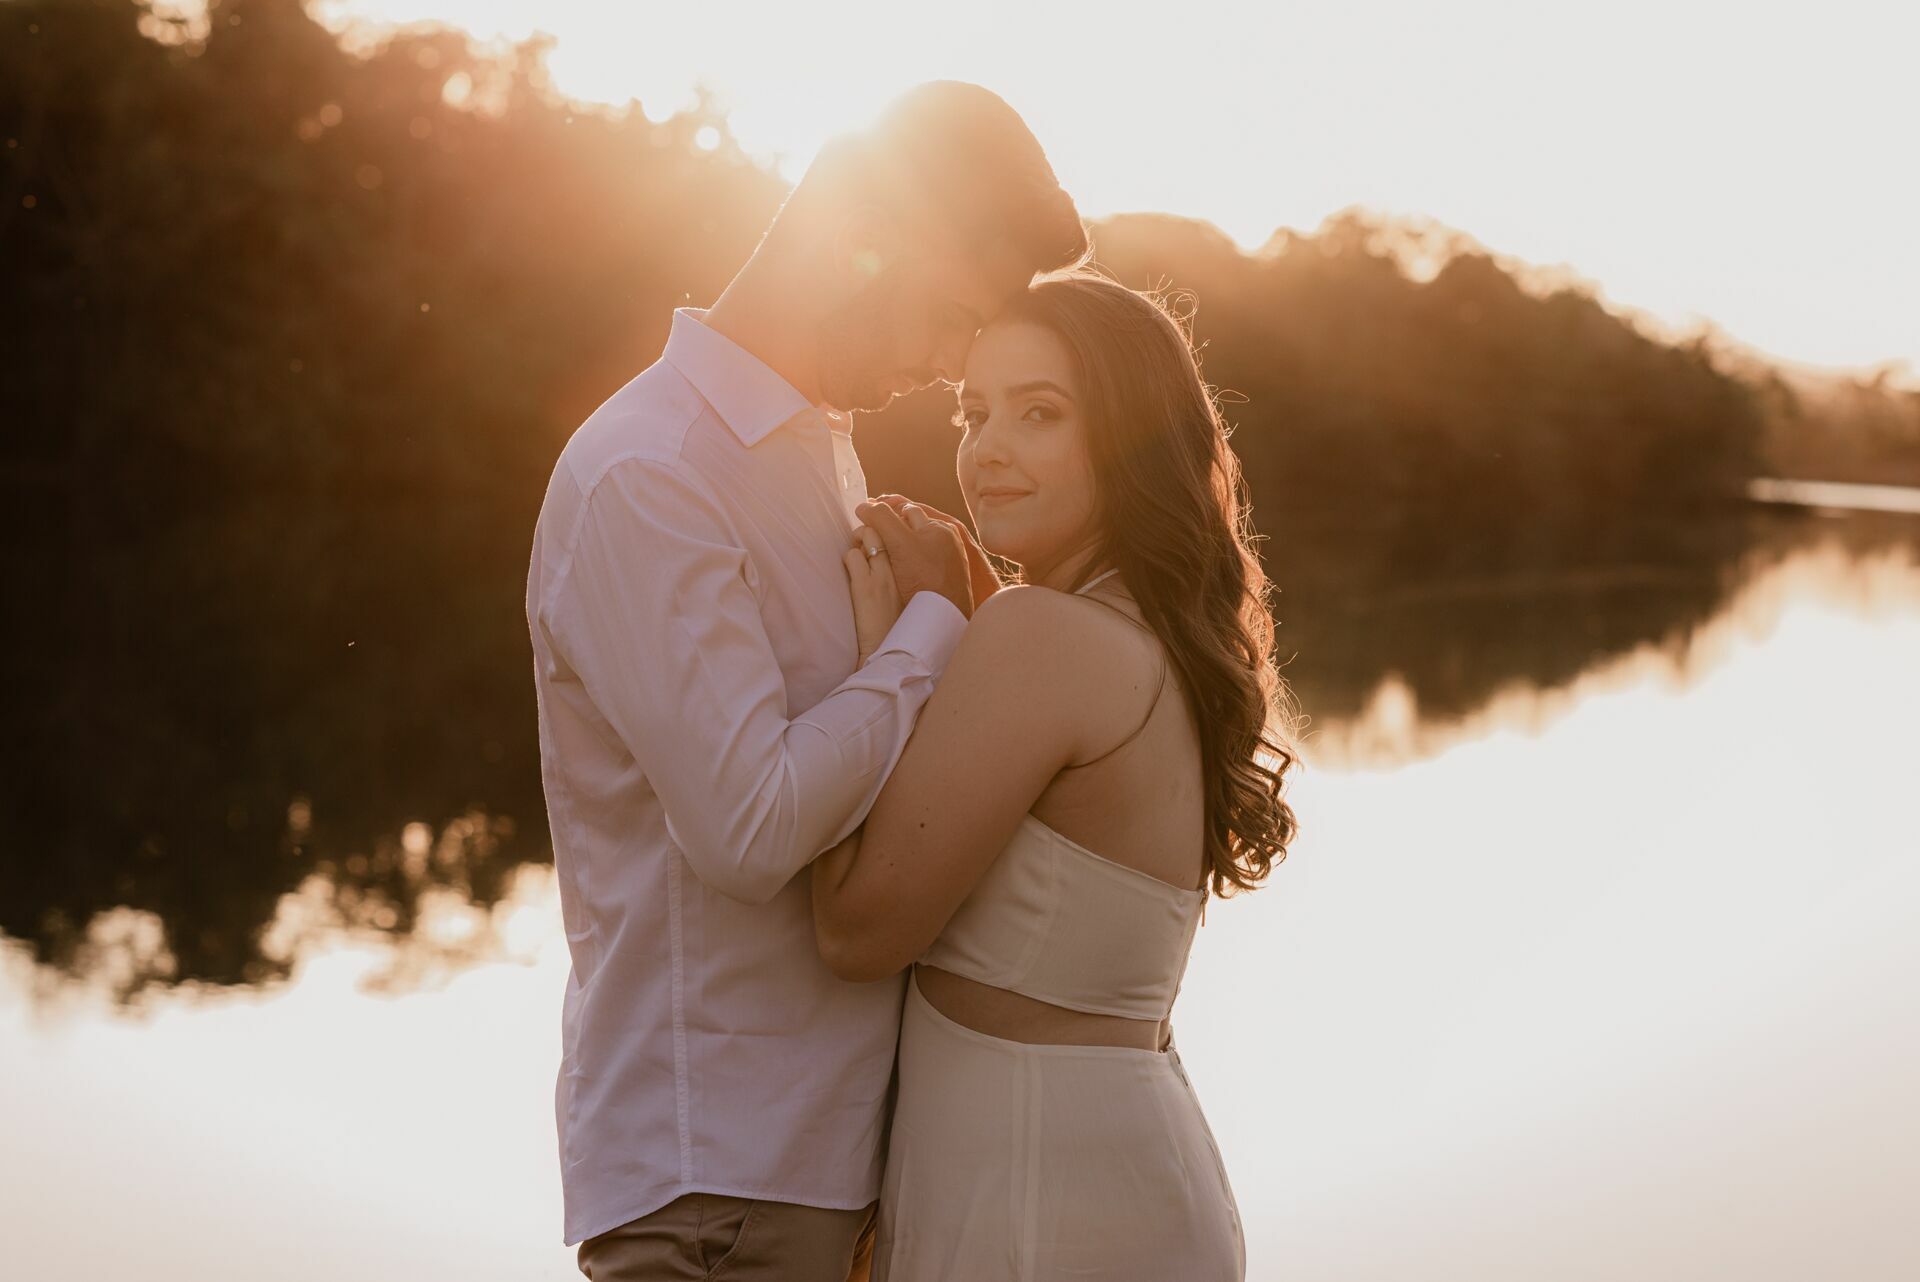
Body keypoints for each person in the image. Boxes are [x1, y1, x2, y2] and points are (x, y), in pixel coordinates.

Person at [524, 83, 1087, 1280]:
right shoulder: (651, 473)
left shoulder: (816, 457)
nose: (948, 364)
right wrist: (933, 622)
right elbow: (750, 824)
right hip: (718, 1188)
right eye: (951, 315)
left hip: (833, 1171)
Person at [813, 271, 1300, 1280]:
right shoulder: (1149, 634)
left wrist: (887, 652)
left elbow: (856, 929)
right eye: (974, 410)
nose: (986, 448)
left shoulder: (1041, 636)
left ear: (1129, 435)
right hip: (1103, 1167)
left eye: (1039, 413)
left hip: (1037, 1194)